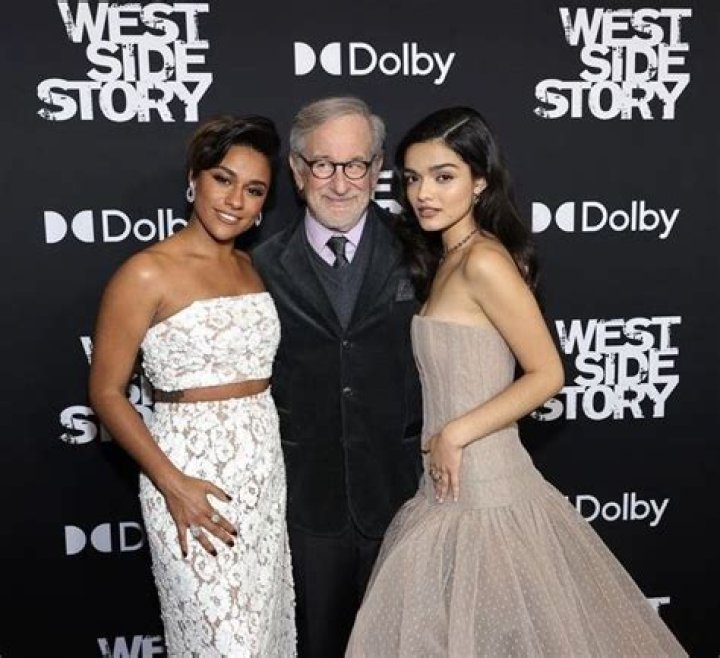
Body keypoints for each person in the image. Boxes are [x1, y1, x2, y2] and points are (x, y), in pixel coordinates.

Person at [345, 107, 688, 657]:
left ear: (479, 181)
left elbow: (548, 373)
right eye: (412, 178)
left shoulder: (484, 262)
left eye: (443, 176)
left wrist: (455, 433)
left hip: (487, 489)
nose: (423, 193)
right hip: (448, 489)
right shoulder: (448, 258)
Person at [88, 115, 296, 657]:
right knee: (224, 643)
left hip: (262, 475)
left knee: (263, 638)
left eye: (254, 190)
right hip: (186, 473)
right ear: (193, 179)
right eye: (223, 179)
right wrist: (172, 483)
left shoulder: (251, 268)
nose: (235, 201)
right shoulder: (145, 273)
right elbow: (106, 392)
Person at [252, 96, 423, 657]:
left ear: (377, 169)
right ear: (298, 171)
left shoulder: (424, 253)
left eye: (355, 165)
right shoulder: (259, 267)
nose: (341, 182)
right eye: (324, 164)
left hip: (406, 494)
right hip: (307, 503)